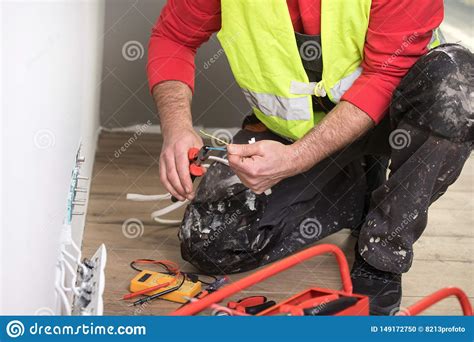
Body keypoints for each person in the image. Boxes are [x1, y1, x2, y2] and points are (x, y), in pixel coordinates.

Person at [147, 0, 473, 315]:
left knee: (459, 87)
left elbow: (383, 77)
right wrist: (177, 128)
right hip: (297, 133)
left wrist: (297, 160)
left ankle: (382, 252)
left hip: (394, 118)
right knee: (209, 241)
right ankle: (355, 188)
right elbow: (173, 37)